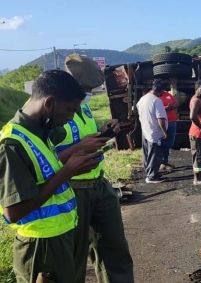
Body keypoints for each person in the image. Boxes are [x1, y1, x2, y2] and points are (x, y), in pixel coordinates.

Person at [0, 70, 101, 283]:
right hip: (40, 246)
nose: (71, 117)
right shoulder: (11, 144)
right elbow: (13, 212)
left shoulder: (39, 132)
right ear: (49, 103)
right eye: (69, 110)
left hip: (58, 236)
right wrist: (67, 172)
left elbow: (43, 178)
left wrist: (72, 166)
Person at [50, 84, 134, 282]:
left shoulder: (84, 107)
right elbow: (43, 160)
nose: (87, 95)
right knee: (75, 257)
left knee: (116, 250)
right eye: (86, 89)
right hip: (72, 190)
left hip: (99, 184)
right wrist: (79, 147)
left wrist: (104, 132)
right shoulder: (53, 110)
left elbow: (87, 136)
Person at [136, 79, 168, 183]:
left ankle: (149, 172)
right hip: (154, 132)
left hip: (145, 130)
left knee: (147, 154)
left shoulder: (142, 99)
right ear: (161, 91)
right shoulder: (156, 100)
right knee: (155, 154)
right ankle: (152, 177)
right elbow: (161, 119)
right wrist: (164, 132)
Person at [159, 81, 178, 171]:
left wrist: (171, 106)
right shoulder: (154, 96)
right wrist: (165, 108)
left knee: (169, 142)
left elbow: (176, 103)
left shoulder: (168, 94)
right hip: (162, 122)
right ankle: (161, 163)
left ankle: (165, 161)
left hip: (172, 121)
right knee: (162, 142)